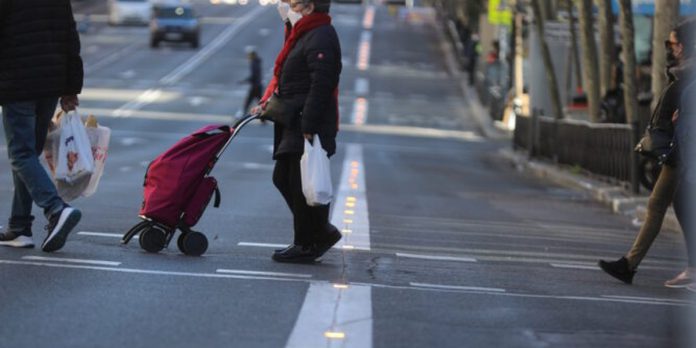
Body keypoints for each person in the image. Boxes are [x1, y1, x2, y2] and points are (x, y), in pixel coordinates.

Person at [599, 19, 696, 286]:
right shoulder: (683, 71)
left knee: (662, 205)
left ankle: (631, 265)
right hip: (678, 148)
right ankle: (633, 264)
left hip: (683, 150)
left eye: (673, 43)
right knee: (671, 205)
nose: (669, 48)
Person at [256, 0, 342, 263]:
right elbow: (289, 78)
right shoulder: (304, 32)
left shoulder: (321, 36)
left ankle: (306, 242)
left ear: (309, 6)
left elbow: (322, 83)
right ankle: (318, 233)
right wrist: (268, 104)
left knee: (297, 183)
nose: (288, 4)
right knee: (287, 179)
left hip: (306, 121)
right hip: (294, 117)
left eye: (294, 2)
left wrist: (310, 125)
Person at [0, 0, 83, 252]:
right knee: (29, 156)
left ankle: (56, 209)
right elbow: (70, 35)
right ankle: (20, 227)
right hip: (50, 83)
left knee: (21, 154)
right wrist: (71, 87)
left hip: (17, 82)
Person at [239, 46, 265, 122]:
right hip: (258, 85)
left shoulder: (254, 62)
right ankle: (263, 118)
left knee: (248, 101)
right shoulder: (257, 61)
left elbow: (254, 75)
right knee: (259, 102)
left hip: (255, 86)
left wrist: (244, 81)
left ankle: (242, 116)